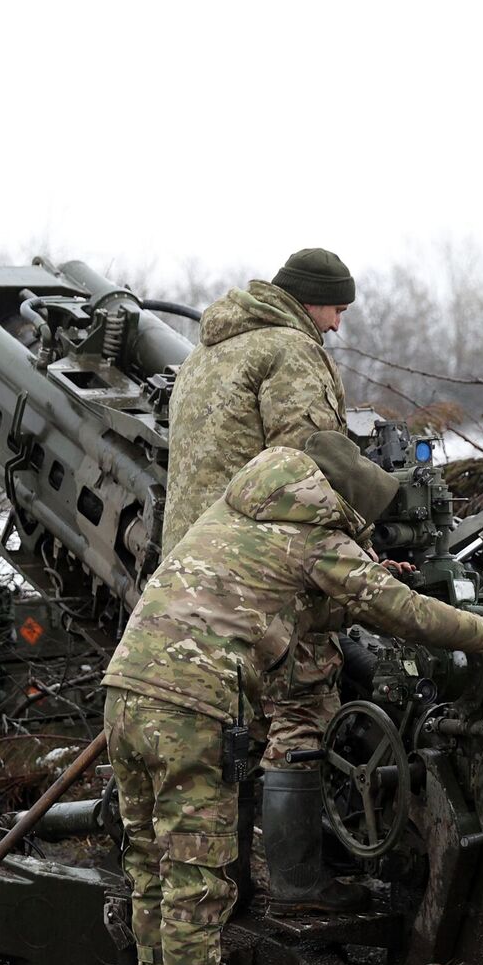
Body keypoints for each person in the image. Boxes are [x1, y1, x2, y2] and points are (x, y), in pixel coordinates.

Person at [104, 431, 483, 965]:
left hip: (126, 691)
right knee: (197, 886)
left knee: (149, 868)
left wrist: (360, 581)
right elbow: (403, 614)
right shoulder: (317, 537)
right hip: (191, 708)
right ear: (344, 504)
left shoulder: (239, 510)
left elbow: (287, 593)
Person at [162, 247, 362, 913]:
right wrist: (364, 541)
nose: (336, 325)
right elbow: (315, 461)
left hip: (196, 566)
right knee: (300, 709)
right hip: (268, 562)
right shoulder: (289, 351)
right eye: (336, 308)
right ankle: (302, 889)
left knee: (229, 726)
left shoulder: (206, 354)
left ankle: (229, 889)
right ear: (310, 300)